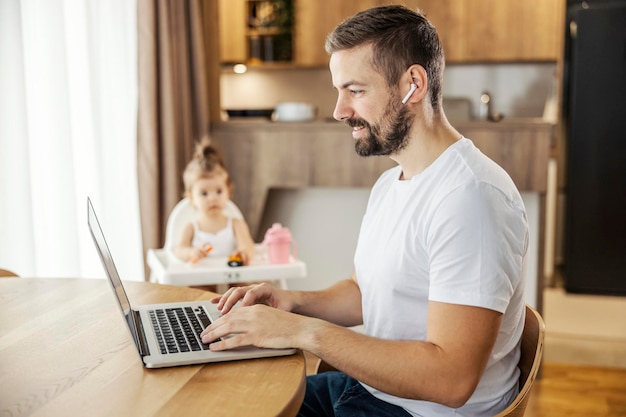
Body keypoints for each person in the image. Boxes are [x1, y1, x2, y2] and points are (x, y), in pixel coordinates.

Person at [201, 5, 528, 416]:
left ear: (413, 84)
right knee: (236, 400)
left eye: (355, 91)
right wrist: (291, 302)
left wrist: (301, 331)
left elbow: (451, 379)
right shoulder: (393, 181)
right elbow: (366, 292)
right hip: (374, 390)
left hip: (420, 410)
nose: (339, 110)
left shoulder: (471, 198)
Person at [174, 141, 255, 267]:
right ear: (191, 198)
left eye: (218, 191)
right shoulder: (191, 228)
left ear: (228, 190)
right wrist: (191, 252)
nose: (212, 198)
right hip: (203, 277)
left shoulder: (236, 224)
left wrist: (243, 252)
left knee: (241, 285)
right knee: (201, 286)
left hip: (231, 275)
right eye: (204, 194)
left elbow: (249, 247)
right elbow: (179, 251)